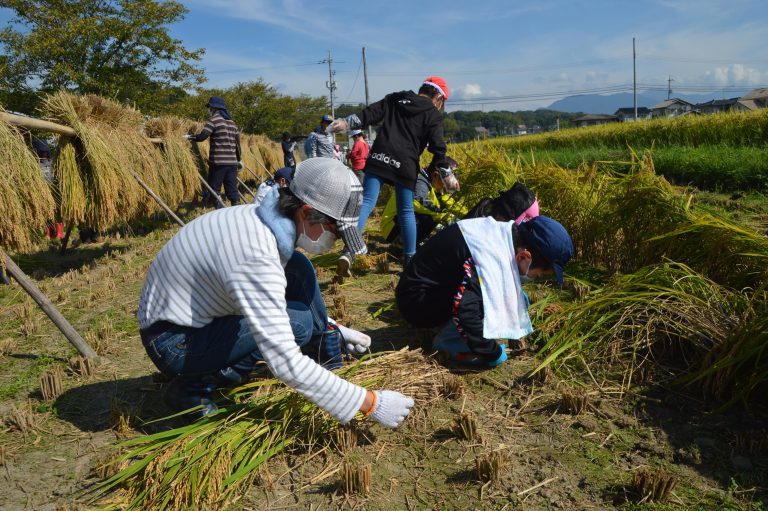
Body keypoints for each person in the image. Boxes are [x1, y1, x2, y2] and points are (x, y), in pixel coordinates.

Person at [136, 158, 411, 426]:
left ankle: (325, 347)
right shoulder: (255, 254)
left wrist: (334, 327)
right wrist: (369, 403)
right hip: (174, 344)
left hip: (193, 320)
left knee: (299, 267)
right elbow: (284, 361)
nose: (335, 241)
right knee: (297, 325)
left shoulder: (259, 219)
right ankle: (193, 388)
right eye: (335, 232)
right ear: (305, 212)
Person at [395, 215, 573, 368]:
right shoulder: (488, 256)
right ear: (524, 256)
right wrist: (492, 352)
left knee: (506, 296)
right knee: (488, 299)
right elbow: (466, 311)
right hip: (416, 302)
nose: (535, 278)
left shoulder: (498, 234)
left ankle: (453, 333)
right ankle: (449, 343)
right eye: (539, 274)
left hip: (429, 288)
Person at [327, 76, 459, 275]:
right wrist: (446, 173)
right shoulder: (432, 113)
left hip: (380, 156)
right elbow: (438, 147)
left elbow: (369, 113)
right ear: (438, 97)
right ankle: (410, 260)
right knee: (406, 211)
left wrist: (346, 122)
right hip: (406, 164)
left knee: (367, 202)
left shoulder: (396, 98)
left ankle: (349, 251)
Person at [380, 157, 467, 248]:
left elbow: (448, 201)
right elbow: (419, 202)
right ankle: (399, 248)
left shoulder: (431, 182)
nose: (444, 185)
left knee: (431, 219)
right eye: (444, 181)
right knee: (426, 219)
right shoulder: (418, 181)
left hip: (400, 222)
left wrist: (466, 213)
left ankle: (412, 244)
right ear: (435, 175)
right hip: (391, 227)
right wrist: (444, 216)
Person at [186, 96, 243, 208]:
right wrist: (239, 159)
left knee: (214, 189)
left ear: (214, 108)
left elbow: (202, 136)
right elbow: (237, 144)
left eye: (210, 107)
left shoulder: (213, 120)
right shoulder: (232, 123)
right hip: (232, 163)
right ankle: (237, 210)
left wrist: (190, 137)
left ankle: (219, 212)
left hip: (218, 162)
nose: (209, 110)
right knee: (232, 189)